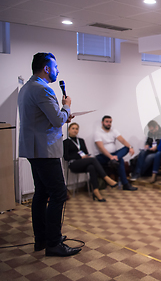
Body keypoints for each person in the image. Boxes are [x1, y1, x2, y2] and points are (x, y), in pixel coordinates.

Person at [18, 52, 81, 256]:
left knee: (41, 193)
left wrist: (63, 115)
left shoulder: (27, 88)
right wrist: (66, 106)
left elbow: (45, 118)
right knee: (58, 194)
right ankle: (53, 243)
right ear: (46, 68)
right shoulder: (43, 89)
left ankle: (42, 238)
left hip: (33, 148)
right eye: (55, 67)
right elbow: (55, 120)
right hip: (45, 150)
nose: (57, 70)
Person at [63, 123, 118, 202]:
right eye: (73, 128)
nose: (75, 130)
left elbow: (86, 152)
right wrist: (80, 157)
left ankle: (96, 191)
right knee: (93, 160)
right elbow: (66, 157)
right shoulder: (66, 142)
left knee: (91, 167)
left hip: (82, 162)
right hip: (73, 164)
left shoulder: (81, 141)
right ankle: (106, 178)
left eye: (76, 129)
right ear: (69, 130)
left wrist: (85, 156)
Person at [94, 115, 137, 191]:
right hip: (103, 156)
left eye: (110, 122)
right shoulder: (98, 133)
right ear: (102, 122)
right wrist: (111, 157)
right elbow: (101, 148)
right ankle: (125, 184)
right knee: (120, 160)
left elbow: (122, 140)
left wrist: (130, 147)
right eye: (107, 122)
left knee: (127, 148)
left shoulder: (113, 130)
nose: (109, 123)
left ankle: (115, 159)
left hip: (114, 154)